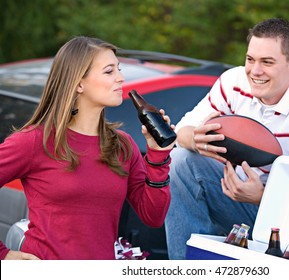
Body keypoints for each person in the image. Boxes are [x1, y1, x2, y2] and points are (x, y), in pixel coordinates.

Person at [165, 18, 289, 259]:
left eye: (267, 62)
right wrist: (195, 140)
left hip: (287, 220)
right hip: (232, 198)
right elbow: (182, 132)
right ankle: (190, 266)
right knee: (180, 161)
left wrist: (264, 196)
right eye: (250, 59)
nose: (255, 71)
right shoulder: (233, 82)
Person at [0, 36, 174, 260]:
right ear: (79, 83)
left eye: (118, 70)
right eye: (109, 71)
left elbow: (153, 217)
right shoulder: (35, 141)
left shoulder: (122, 145)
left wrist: (158, 155)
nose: (121, 78)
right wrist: (5, 256)